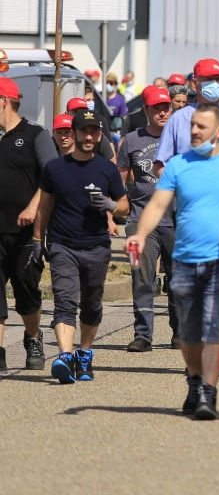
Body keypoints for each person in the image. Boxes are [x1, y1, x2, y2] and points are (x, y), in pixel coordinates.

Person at [127, 104, 219, 420]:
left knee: (214, 328)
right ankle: (193, 377)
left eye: (201, 126)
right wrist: (139, 235)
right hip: (186, 260)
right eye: (192, 126)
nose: (193, 131)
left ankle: (208, 392)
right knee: (189, 334)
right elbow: (157, 204)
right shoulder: (178, 166)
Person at [33, 110, 129, 383]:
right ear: (73, 134)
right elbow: (44, 206)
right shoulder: (55, 168)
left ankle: (84, 354)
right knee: (63, 301)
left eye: (93, 132)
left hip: (97, 246)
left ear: (99, 135)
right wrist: (38, 241)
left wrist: (111, 205)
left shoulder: (106, 169)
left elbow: (124, 205)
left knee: (91, 303)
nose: (89, 136)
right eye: (83, 131)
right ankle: (65, 355)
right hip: (63, 245)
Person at [0, 77, 58, 371]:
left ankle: (33, 336)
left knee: (26, 293)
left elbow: (51, 174)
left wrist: (34, 206)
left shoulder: (36, 134)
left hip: (25, 232)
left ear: (4, 101)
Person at [117, 87, 180, 352]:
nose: (162, 112)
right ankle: (143, 334)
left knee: (178, 279)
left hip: (176, 221)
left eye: (166, 107)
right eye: (156, 108)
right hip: (139, 221)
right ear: (145, 111)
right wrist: (120, 212)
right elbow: (118, 182)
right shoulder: (131, 141)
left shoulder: (182, 140)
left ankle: (180, 332)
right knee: (140, 276)